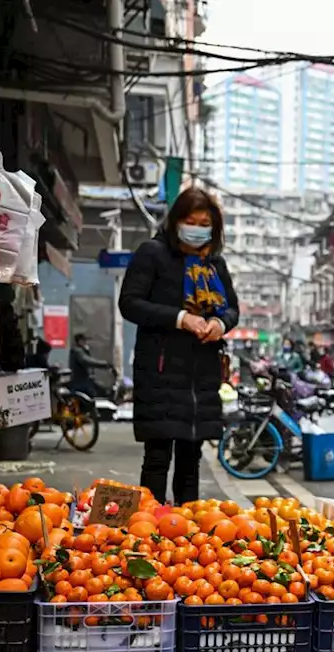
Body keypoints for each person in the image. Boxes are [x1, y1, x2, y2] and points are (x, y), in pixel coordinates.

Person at [118, 187, 239, 505]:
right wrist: (180, 318)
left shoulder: (214, 263)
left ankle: (187, 538)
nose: (197, 228)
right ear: (175, 222)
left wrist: (219, 324)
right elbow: (130, 303)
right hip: (159, 373)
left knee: (191, 462)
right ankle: (150, 534)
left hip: (201, 376)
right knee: (157, 459)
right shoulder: (152, 253)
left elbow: (232, 309)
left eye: (204, 222)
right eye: (190, 220)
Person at [68, 333, 110, 399]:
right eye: (84, 340)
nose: (86, 342)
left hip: (85, 381)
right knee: (97, 393)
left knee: (102, 390)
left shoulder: (81, 350)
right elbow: (86, 361)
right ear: (79, 341)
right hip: (81, 383)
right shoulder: (77, 351)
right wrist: (104, 364)